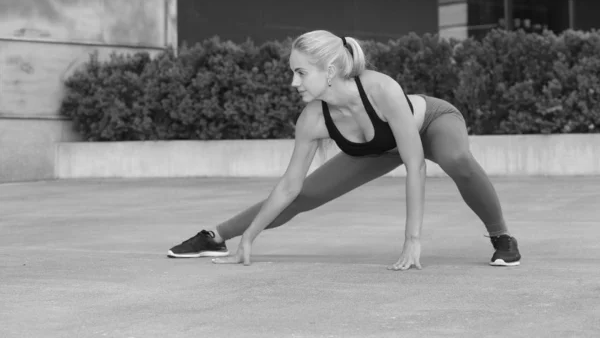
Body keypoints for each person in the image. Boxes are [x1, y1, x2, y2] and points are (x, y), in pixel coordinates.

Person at [167, 30, 521, 270]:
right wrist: (249, 237)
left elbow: (416, 164)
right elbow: (289, 187)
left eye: (301, 73)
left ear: (331, 70)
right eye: (293, 72)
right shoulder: (312, 120)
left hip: (430, 125)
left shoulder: (382, 89)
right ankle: (216, 236)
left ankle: (501, 235)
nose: (293, 82)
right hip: (378, 149)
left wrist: (412, 240)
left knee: (457, 159)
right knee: (306, 195)